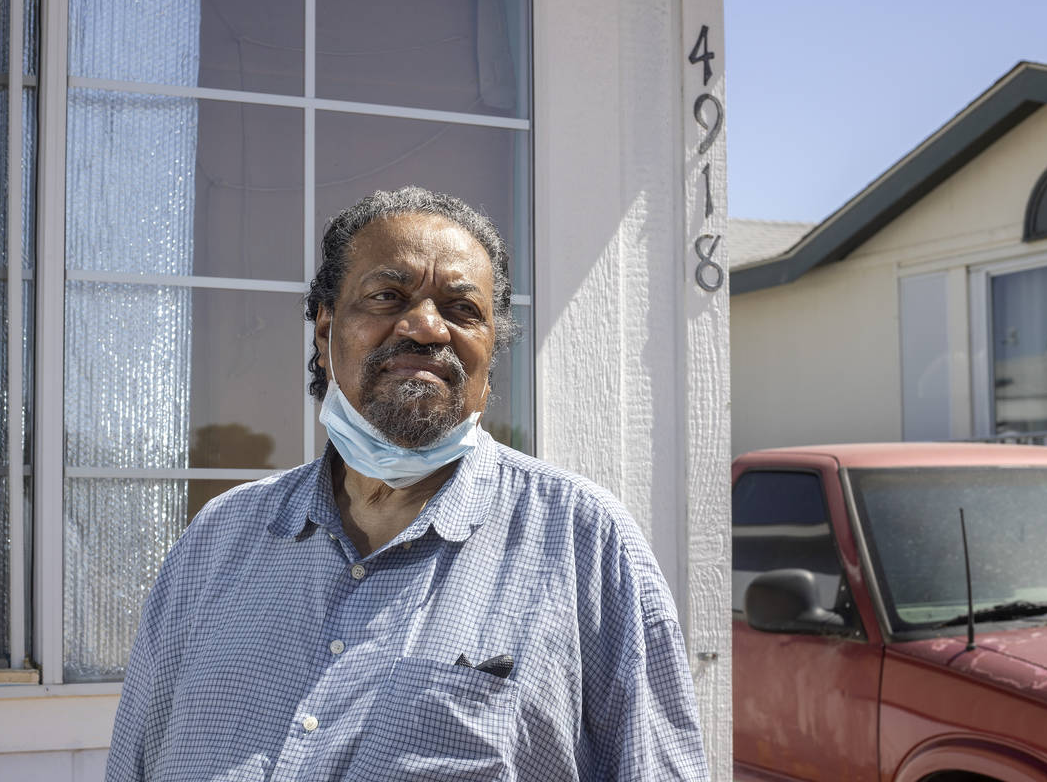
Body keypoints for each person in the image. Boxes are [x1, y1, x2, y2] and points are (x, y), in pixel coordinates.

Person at [105, 186, 709, 781]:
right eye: (388, 296)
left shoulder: (584, 542)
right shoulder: (220, 537)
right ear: (324, 332)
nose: (425, 328)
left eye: (462, 309)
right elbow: (135, 758)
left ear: (490, 350)